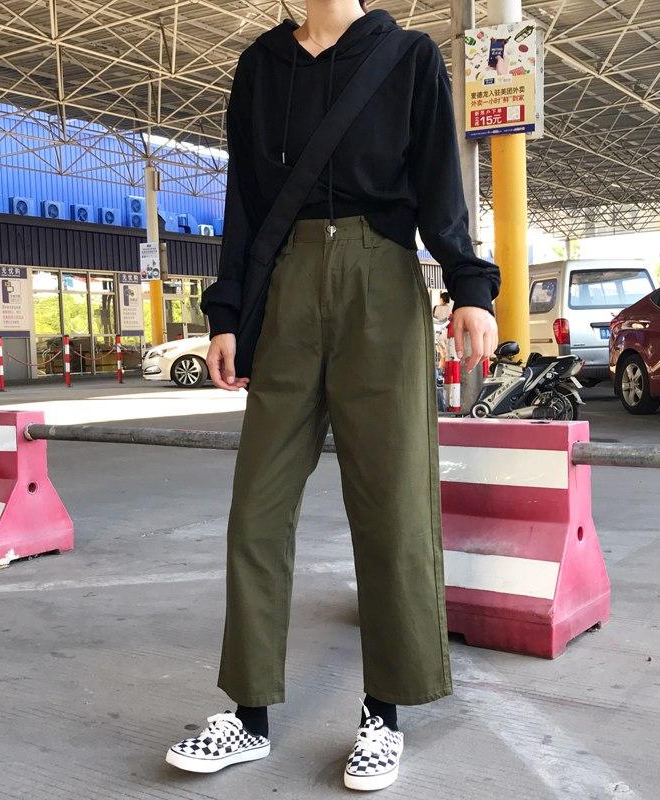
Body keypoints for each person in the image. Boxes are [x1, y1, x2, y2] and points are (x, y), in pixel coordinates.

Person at [166, 1, 500, 791]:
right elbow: (245, 203)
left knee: (391, 506)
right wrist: (226, 315)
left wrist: (470, 287)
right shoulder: (260, 66)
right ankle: (248, 714)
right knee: (256, 508)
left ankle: (384, 713)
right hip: (286, 288)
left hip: (380, 281)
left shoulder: (409, 58)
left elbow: (440, 185)